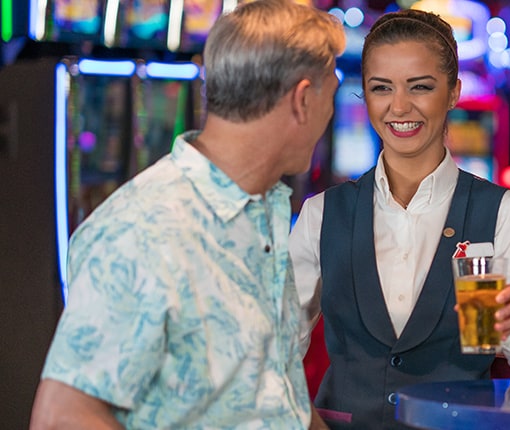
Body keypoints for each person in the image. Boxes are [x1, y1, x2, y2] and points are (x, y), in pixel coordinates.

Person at [29, 1, 345, 428]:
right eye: (332, 89)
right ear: (303, 99)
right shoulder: (144, 229)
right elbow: (63, 418)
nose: (331, 112)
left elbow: (272, 396)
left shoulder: (261, 212)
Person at [288, 9, 510, 429]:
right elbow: (273, 346)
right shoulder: (321, 214)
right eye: (381, 88)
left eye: (420, 87)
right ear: (363, 93)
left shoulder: (503, 211)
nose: (399, 106)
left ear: (453, 92)